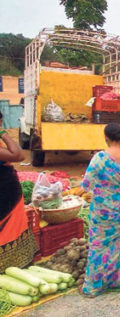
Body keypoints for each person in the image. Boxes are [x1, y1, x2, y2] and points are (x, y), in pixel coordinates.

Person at [81, 123, 120, 297]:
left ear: (106, 138)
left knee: (99, 246)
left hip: (103, 213)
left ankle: (95, 286)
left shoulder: (99, 158)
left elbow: (86, 185)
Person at [0, 117, 38, 273]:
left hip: (7, 193)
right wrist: (2, 133)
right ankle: (9, 267)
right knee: (8, 229)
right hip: (4, 196)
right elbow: (18, 155)